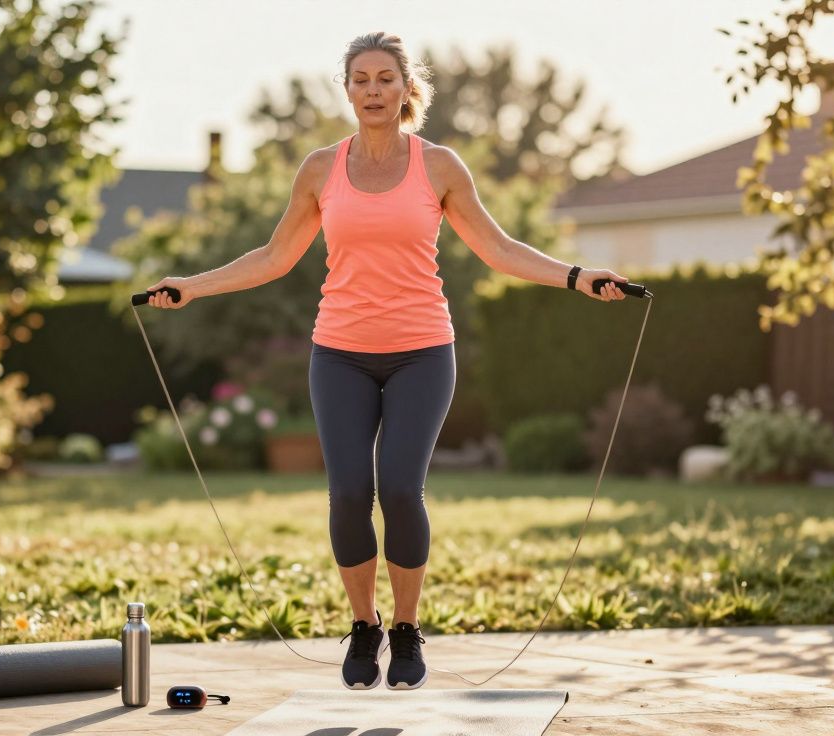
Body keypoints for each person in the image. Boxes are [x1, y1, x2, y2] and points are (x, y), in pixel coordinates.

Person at [142, 31, 627, 691]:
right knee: (347, 494)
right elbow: (273, 257)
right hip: (339, 352)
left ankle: (405, 628)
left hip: (423, 351)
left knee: (399, 488)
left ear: (407, 90)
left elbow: (500, 249)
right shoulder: (320, 169)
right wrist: (192, 286)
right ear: (347, 91)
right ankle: (363, 625)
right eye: (361, 79)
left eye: (385, 79)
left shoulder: (440, 167)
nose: (373, 90)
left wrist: (576, 276)